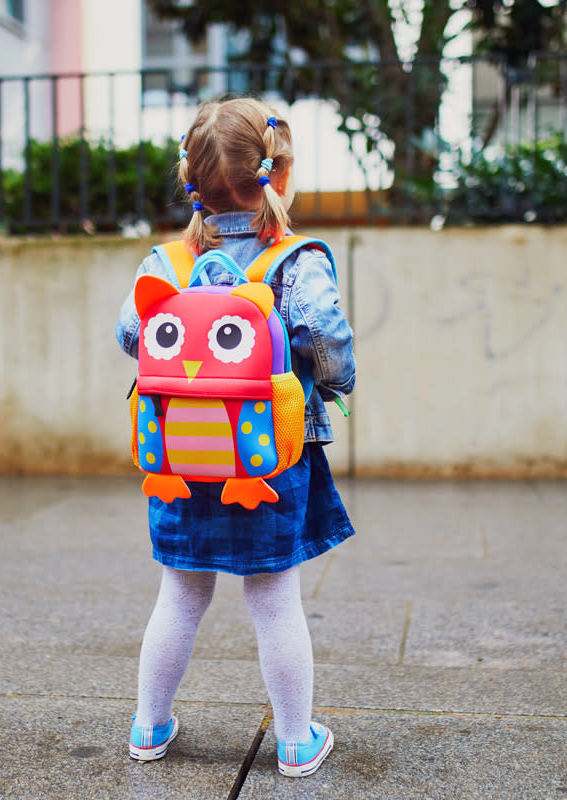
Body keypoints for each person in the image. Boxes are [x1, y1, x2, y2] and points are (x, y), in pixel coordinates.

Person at [113, 96, 356, 778]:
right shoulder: (294, 259)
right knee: (275, 598)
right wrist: (336, 384)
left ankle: (149, 725)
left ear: (191, 180)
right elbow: (323, 334)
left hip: (182, 458)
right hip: (269, 458)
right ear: (276, 175)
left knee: (180, 593)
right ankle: (296, 740)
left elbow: (132, 335)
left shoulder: (165, 262)